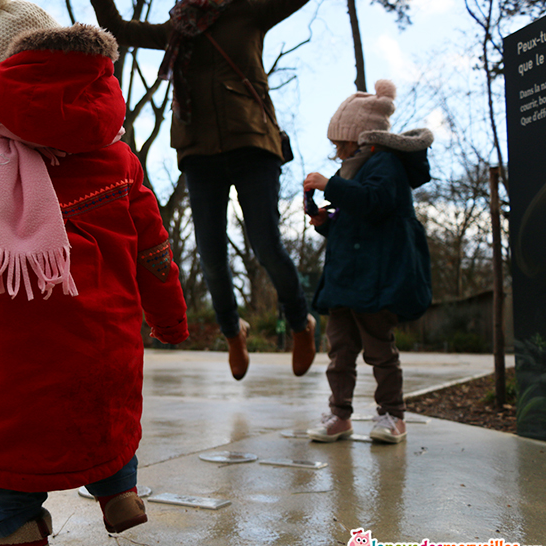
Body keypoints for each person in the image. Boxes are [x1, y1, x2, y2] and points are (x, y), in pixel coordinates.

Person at [0, 1, 188, 546]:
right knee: (105, 414)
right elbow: (154, 253)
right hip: (107, 344)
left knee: (6, 445)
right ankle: (119, 491)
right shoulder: (118, 156)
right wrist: (171, 319)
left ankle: (17, 539)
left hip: (8, 357)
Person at [90, 0, 317, 380]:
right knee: (210, 254)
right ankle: (233, 332)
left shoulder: (250, 12)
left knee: (265, 243)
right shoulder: (176, 28)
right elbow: (118, 28)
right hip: (198, 151)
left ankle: (300, 323)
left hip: (252, 143)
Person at [302, 80, 433, 444]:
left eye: (340, 144)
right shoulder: (356, 168)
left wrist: (329, 185)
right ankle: (339, 414)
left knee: (380, 350)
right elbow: (356, 218)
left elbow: (375, 202)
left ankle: (393, 415)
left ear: (359, 138)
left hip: (376, 280)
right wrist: (326, 222)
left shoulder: (386, 164)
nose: (337, 153)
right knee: (339, 352)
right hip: (346, 279)